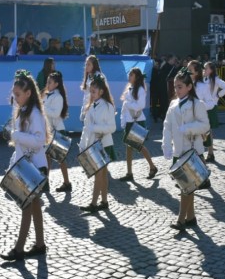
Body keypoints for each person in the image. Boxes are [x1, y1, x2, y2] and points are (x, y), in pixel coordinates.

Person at [1, 70, 48, 261]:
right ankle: (40, 244)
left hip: (35, 168)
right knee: (34, 206)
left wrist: (16, 135)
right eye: (14, 94)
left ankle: (19, 248)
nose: (15, 98)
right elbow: (21, 144)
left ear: (28, 93)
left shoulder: (35, 113)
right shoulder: (22, 111)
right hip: (27, 166)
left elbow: (39, 140)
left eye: (18, 94)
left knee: (26, 206)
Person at [162, 67, 210, 230]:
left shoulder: (198, 104)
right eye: (175, 87)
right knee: (187, 187)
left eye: (180, 86)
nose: (177, 90)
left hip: (192, 151)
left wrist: (188, 128)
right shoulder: (173, 103)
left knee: (186, 187)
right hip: (178, 150)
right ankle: (191, 217)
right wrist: (166, 145)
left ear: (189, 87)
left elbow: (205, 125)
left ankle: (181, 220)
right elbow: (167, 125)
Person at [78, 72, 117, 213]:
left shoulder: (108, 106)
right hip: (93, 144)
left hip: (104, 144)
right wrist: (82, 145)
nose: (91, 94)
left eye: (94, 91)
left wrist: (96, 128)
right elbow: (86, 128)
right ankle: (104, 202)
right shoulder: (90, 106)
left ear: (101, 91)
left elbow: (112, 127)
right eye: (90, 91)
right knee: (103, 174)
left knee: (99, 175)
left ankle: (94, 204)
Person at [118, 67, 158, 181]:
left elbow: (140, 106)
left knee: (138, 146)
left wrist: (128, 104)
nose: (129, 76)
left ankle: (152, 166)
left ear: (136, 77)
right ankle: (129, 173)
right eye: (129, 74)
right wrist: (123, 120)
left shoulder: (140, 89)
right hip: (129, 121)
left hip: (137, 120)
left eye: (131, 75)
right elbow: (125, 108)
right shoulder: (129, 88)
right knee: (129, 147)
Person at [43, 71, 72, 192]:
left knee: (61, 159)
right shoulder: (47, 95)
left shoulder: (58, 97)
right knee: (46, 158)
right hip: (49, 131)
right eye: (47, 81)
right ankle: (46, 182)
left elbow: (55, 113)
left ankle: (67, 183)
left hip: (58, 130)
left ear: (56, 84)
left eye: (50, 82)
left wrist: (42, 106)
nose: (47, 84)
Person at [200, 62, 225, 163]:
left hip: (211, 107)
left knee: (207, 130)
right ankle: (209, 152)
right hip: (203, 106)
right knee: (205, 131)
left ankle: (210, 153)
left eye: (206, 68)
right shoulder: (203, 79)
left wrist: (217, 96)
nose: (204, 69)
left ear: (211, 70)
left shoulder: (215, 79)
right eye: (203, 68)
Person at [80, 55, 104, 121]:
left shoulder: (99, 76)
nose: (86, 66)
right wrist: (83, 110)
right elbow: (86, 96)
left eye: (89, 64)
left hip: (96, 109)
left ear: (94, 65)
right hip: (87, 108)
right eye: (86, 64)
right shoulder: (88, 76)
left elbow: (101, 95)